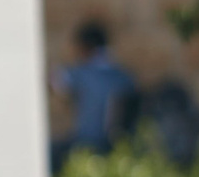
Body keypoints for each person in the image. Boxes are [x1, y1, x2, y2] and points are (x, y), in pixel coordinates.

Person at [51, 20, 138, 169]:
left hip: (86, 145)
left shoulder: (82, 72)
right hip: (118, 148)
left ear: (84, 47)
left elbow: (55, 81)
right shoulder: (124, 76)